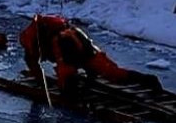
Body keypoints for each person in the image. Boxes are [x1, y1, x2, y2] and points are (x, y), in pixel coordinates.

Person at [19, 14, 160, 92]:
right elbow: (62, 68)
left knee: (110, 72)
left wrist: (66, 87)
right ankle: (146, 79)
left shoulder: (64, 42)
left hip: (74, 46)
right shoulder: (35, 47)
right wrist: (42, 82)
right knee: (106, 71)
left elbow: (65, 67)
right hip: (75, 44)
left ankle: (147, 80)